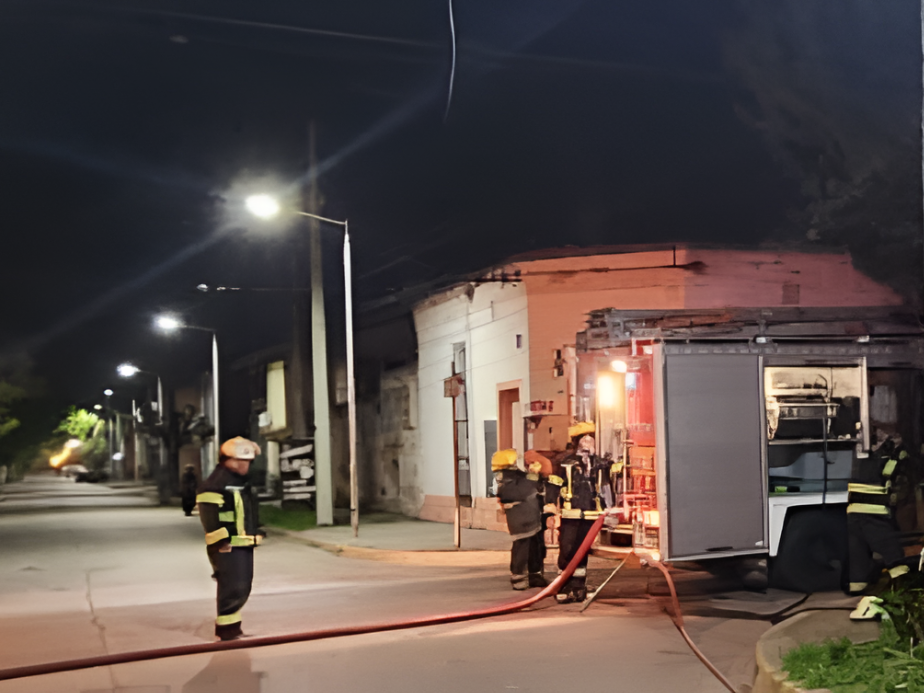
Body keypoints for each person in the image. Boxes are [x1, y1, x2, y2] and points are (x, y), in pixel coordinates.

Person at [196, 437, 266, 640]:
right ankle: (227, 630)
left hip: (242, 543)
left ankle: (233, 628)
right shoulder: (215, 485)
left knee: (242, 585)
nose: (245, 465)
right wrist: (222, 542)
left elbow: (245, 512)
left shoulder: (239, 484)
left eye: (247, 462)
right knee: (232, 586)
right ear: (227, 460)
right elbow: (211, 518)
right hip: (228, 545)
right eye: (240, 461)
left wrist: (255, 532)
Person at [546, 422, 615, 604]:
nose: (587, 442)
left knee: (583, 552)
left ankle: (578, 586)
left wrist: (611, 508)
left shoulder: (601, 464)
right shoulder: (564, 462)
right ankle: (563, 586)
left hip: (592, 516)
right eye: (583, 438)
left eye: (590, 438)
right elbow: (553, 485)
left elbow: (606, 487)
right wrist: (550, 507)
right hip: (571, 515)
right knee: (567, 550)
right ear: (576, 441)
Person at [847, 430, 912, 601]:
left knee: (858, 556)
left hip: (853, 513)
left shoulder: (859, 453)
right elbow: (888, 474)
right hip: (873, 513)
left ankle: (857, 590)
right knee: (892, 551)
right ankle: (904, 589)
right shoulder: (887, 458)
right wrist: (900, 457)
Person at [493, 449, 548, 590]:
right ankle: (518, 577)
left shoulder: (511, 476)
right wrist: (535, 474)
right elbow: (524, 489)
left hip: (530, 515)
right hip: (522, 517)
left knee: (535, 545)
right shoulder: (507, 478)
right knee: (522, 546)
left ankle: (534, 575)